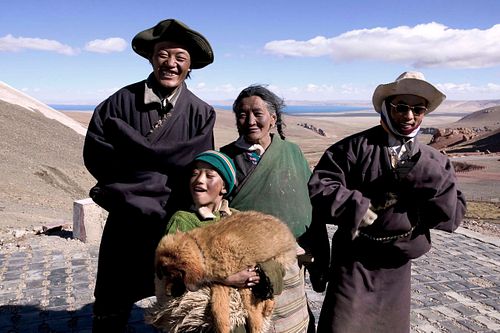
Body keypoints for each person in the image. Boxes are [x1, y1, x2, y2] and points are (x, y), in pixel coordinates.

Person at [82, 18, 216, 331]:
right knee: (113, 298)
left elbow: (198, 169)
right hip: (126, 219)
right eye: (163, 55)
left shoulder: (200, 112)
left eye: (180, 58)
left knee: (177, 297)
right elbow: (97, 155)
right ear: (151, 58)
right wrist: (147, 185)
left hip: (172, 221)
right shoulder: (119, 103)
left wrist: (138, 177)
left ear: (189, 66)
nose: (171, 64)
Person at [307, 71, 467, 332]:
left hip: (397, 264)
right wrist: (356, 206)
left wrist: (435, 185)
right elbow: (320, 185)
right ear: (386, 107)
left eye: (418, 109)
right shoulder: (354, 148)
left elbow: (453, 214)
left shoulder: (433, 160)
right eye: (401, 108)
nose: (409, 116)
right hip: (354, 261)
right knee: (342, 323)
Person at [150, 150, 285, 333]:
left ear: (224, 187)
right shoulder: (183, 220)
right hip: (203, 325)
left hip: (244, 322)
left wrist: (258, 274)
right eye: (195, 174)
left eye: (209, 175)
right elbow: (169, 276)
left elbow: (275, 263)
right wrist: (227, 279)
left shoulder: (240, 219)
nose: (199, 180)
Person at [221, 85, 313, 333]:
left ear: (272, 118)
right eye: (242, 114)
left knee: (288, 323)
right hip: (246, 267)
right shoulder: (224, 158)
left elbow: (307, 201)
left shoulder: (292, 152)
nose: (250, 121)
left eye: (257, 113)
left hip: (292, 260)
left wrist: (318, 252)